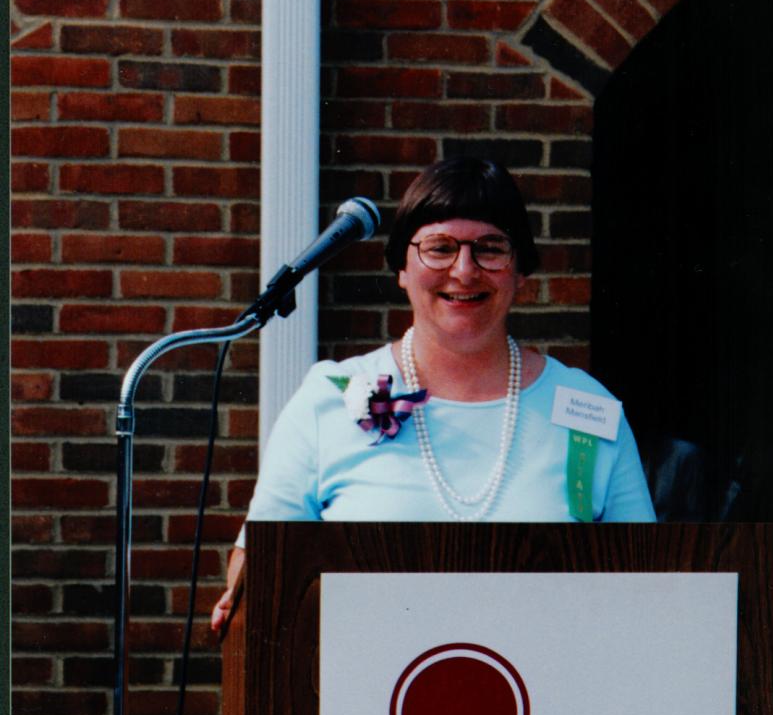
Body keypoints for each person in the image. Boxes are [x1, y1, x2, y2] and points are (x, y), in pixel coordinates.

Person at [211, 157, 655, 631]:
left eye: (491, 249)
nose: (464, 271)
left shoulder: (589, 410)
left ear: (521, 272)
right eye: (439, 248)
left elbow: (648, 584)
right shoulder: (328, 399)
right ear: (401, 268)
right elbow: (258, 569)